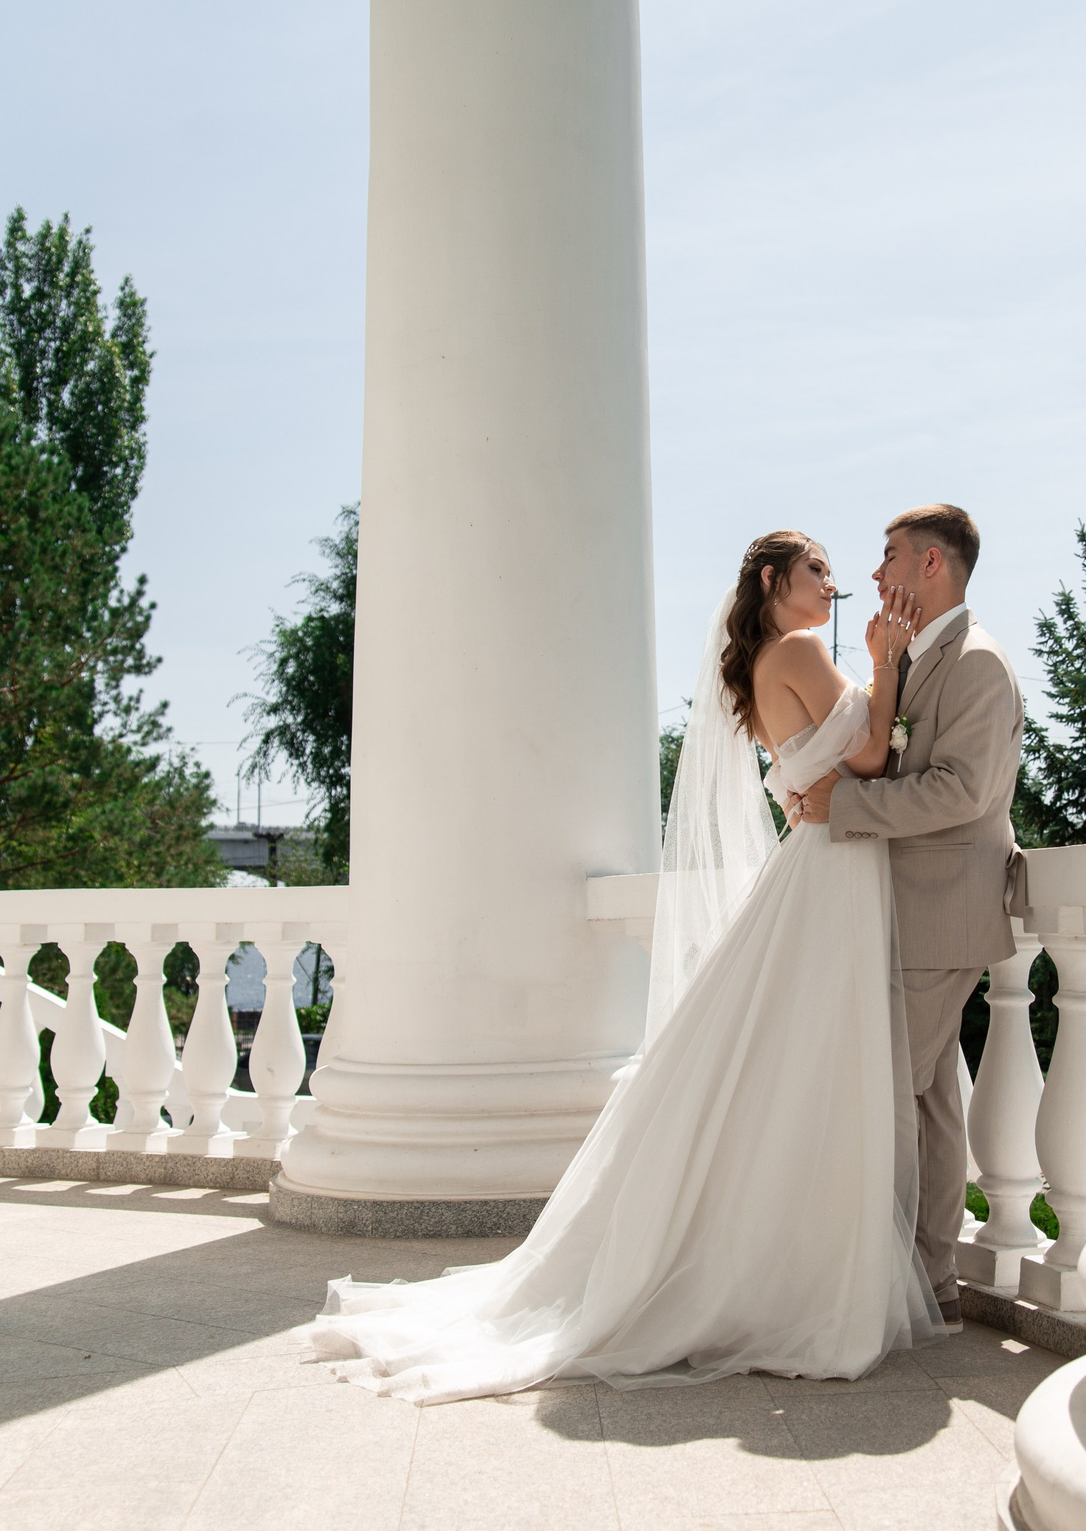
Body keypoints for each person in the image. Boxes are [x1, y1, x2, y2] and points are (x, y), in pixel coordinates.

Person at [302, 529, 944, 1404]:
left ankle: (772, 1260)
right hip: (831, 871)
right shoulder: (796, 649)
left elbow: (828, 767)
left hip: (820, 863)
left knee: (789, 1069)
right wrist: (889, 659)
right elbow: (870, 757)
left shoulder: (763, 663)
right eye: (819, 570)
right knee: (817, 1067)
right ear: (773, 580)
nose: (833, 586)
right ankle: (795, 1281)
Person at [788, 504, 1025, 1329]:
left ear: (932, 565)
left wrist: (845, 803)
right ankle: (931, 1282)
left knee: (884, 1090)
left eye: (889, 557)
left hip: (943, 909)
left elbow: (962, 789)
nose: (877, 575)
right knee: (926, 1100)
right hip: (914, 910)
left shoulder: (979, 665)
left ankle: (881, 1284)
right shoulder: (925, 657)